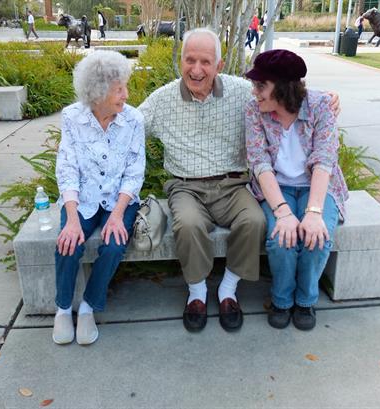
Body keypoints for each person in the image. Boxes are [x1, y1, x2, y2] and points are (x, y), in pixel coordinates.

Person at [138, 28, 340, 334]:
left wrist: (330, 98)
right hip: (186, 186)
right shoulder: (162, 100)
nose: (196, 70)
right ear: (180, 61)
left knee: (255, 221)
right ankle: (197, 294)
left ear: (219, 66)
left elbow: (289, 93)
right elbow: (129, 127)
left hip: (232, 185)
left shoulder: (242, 93)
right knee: (189, 224)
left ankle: (228, 290)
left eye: (205, 62)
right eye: (189, 60)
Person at [244, 49, 348, 332]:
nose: (255, 92)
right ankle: (281, 300)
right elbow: (259, 162)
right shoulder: (254, 110)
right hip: (276, 187)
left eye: (261, 85)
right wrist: (282, 211)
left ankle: (305, 300)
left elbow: (324, 159)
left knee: (317, 235)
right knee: (282, 237)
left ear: (283, 86)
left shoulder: (320, 106)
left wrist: (313, 212)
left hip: (318, 186)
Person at [52, 50, 146, 345]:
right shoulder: (72, 118)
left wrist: (118, 215)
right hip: (83, 199)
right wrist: (70, 217)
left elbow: (135, 171)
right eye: (119, 89)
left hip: (120, 200)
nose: (126, 95)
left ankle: (89, 307)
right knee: (68, 243)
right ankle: (63, 309)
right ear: (99, 91)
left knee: (114, 245)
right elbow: (66, 167)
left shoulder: (133, 120)